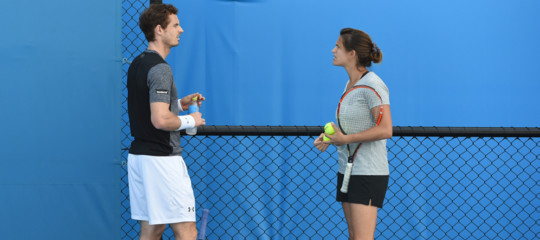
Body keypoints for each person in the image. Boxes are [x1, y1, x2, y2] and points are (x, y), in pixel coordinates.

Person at [126, 3, 206, 240]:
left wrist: (179, 103)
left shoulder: (137, 64)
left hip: (139, 159)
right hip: (161, 161)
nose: (181, 30)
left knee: (152, 230)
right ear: (159, 30)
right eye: (176, 25)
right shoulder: (161, 68)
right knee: (187, 231)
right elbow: (160, 120)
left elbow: (148, 108)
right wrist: (191, 119)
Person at [313, 28, 392, 240]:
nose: (333, 49)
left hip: (367, 173)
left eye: (338, 46)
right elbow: (354, 127)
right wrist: (331, 138)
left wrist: (345, 139)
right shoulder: (349, 84)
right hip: (347, 171)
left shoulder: (373, 84)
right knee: (353, 235)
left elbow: (385, 129)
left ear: (352, 53)